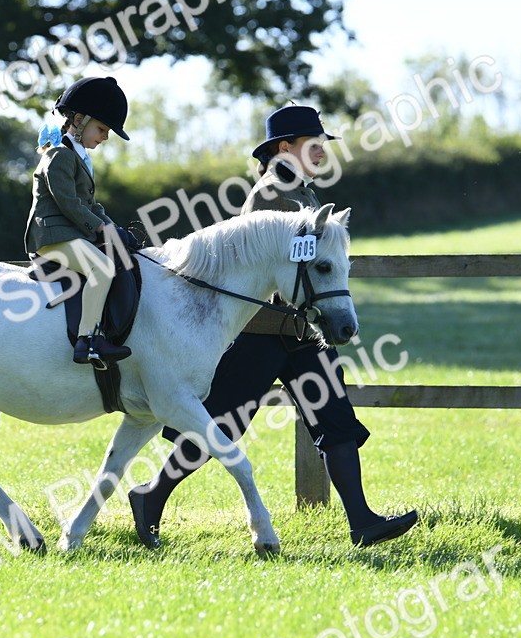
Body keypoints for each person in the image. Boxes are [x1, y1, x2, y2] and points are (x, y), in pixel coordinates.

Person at [127, 105, 419, 548]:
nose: (322, 151)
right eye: (313, 143)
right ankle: (150, 497)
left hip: (303, 335)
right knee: (220, 426)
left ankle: (361, 521)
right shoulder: (271, 193)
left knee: (335, 420)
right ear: (286, 148)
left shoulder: (304, 193)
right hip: (260, 334)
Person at [24, 75, 139, 366]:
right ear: (78, 119)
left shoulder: (77, 158)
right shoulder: (59, 155)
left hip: (69, 235)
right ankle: (87, 342)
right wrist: (101, 229)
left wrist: (114, 228)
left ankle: (96, 334)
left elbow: (91, 205)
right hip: (51, 236)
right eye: (101, 128)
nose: (105, 136)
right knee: (101, 267)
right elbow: (69, 203)